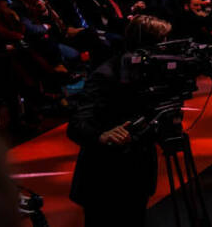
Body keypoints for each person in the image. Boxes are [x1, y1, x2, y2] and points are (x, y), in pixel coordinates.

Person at [67, 15, 173, 227]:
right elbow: (77, 124)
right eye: (163, 40)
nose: (166, 46)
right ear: (146, 43)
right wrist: (101, 135)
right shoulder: (106, 74)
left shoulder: (153, 71)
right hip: (105, 178)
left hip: (138, 173)